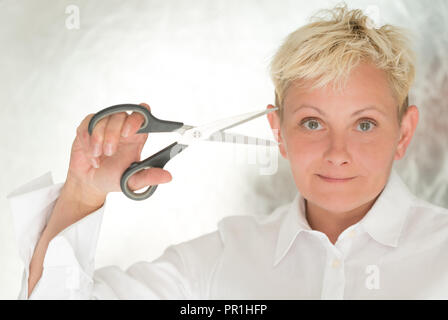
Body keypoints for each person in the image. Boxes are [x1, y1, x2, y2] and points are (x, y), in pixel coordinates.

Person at [7, 3, 448, 299]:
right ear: (278, 131)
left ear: (404, 133)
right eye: (311, 123)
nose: (337, 152)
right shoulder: (219, 258)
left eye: (364, 124)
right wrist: (82, 194)